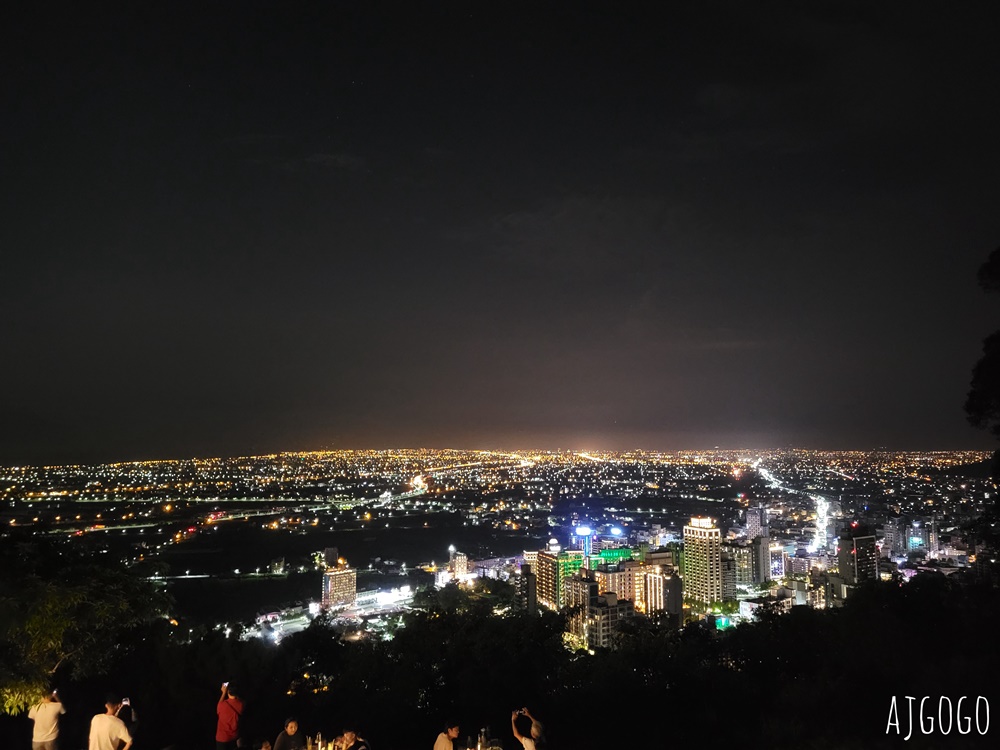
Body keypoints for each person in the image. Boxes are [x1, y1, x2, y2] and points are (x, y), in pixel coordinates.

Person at [216, 683, 245, 750]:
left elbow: (219, 704)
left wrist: (223, 693)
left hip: (222, 738)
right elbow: (241, 700)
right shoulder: (242, 704)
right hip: (234, 737)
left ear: (228, 691)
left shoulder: (222, 705)